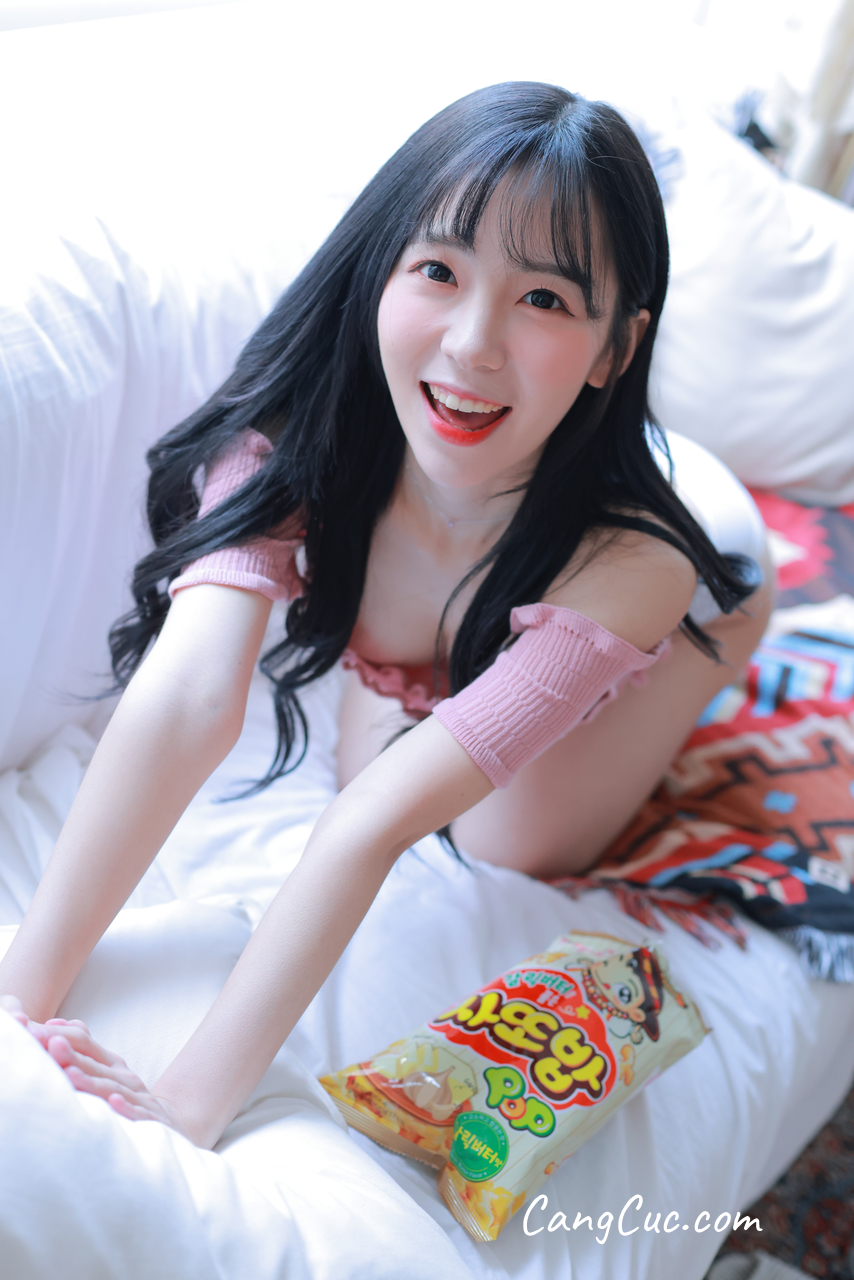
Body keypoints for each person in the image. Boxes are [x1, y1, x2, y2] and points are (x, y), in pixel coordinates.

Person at [0, 81, 772, 1150]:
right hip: (510, 488)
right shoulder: (287, 439)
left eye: (544, 299)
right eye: (439, 272)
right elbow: (185, 698)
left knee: (503, 840)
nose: (472, 343)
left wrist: (185, 1106)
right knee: (380, 755)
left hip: (693, 574)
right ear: (381, 268)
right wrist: (21, 990)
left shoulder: (633, 564)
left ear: (615, 346)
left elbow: (373, 824)